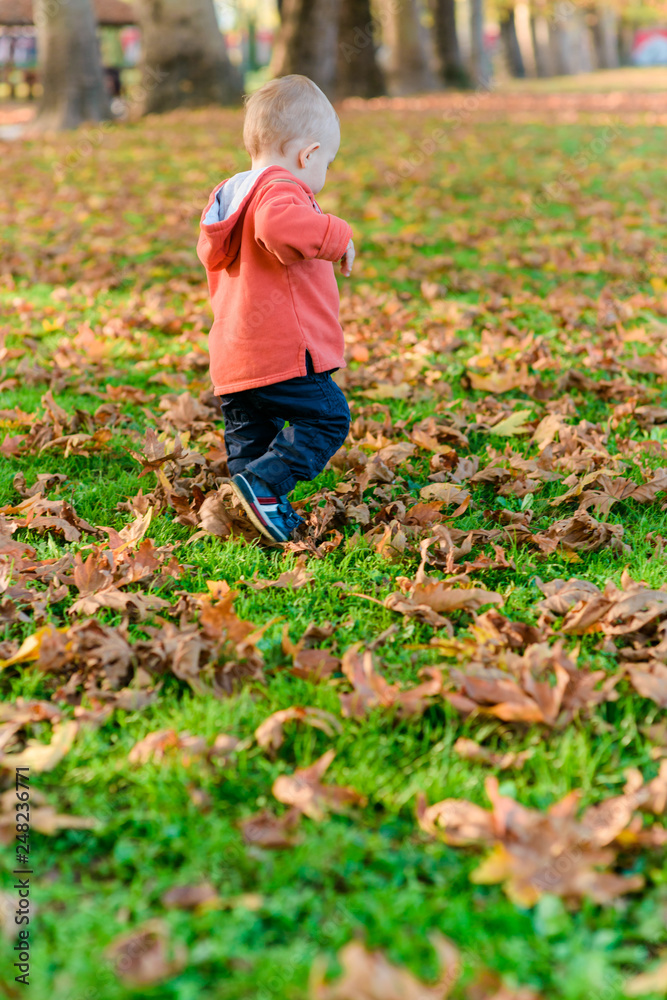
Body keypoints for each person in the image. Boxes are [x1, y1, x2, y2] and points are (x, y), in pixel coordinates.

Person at [197, 74, 355, 544]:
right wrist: (337, 235)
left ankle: (250, 514)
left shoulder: (232, 195)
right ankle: (265, 487)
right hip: (282, 352)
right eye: (326, 163)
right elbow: (277, 225)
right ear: (308, 155)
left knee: (252, 440)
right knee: (328, 417)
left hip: (236, 360)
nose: (323, 173)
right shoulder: (281, 189)